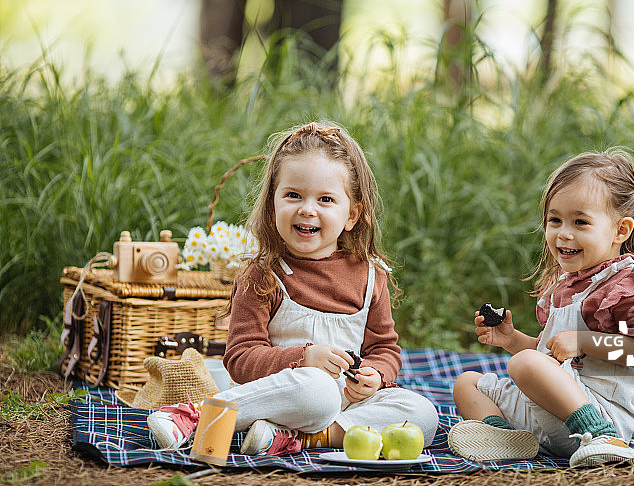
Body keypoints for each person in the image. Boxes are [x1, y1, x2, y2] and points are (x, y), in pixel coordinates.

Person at [147, 122, 439, 454]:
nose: (307, 209)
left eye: (326, 199)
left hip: (345, 407)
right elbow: (240, 359)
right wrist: (304, 358)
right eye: (293, 195)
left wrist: (377, 375)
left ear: (352, 215)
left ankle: (295, 439)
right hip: (290, 396)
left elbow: (385, 349)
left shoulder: (370, 277)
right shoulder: (264, 276)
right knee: (318, 390)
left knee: (421, 414)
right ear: (273, 206)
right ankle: (197, 415)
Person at [448, 149, 634, 467]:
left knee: (524, 364)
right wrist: (512, 340)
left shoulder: (626, 288)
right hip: (548, 416)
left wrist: (583, 343)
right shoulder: (566, 284)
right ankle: (503, 438)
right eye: (555, 220)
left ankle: (600, 436)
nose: (564, 232)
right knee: (467, 383)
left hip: (599, 412)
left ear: (621, 231)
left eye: (580, 222)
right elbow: (548, 357)